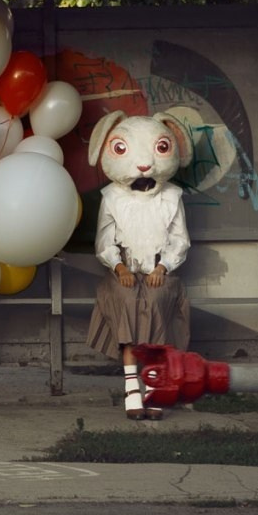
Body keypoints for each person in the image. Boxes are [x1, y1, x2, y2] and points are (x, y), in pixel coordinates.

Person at [85, 111, 192, 420]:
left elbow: (180, 239)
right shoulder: (112, 197)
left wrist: (164, 267)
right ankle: (132, 385)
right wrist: (118, 267)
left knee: (156, 305)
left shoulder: (172, 197)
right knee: (127, 304)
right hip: (125, 272)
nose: (144, 165)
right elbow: (104, 240)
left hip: (159, 272)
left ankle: (155, 384)